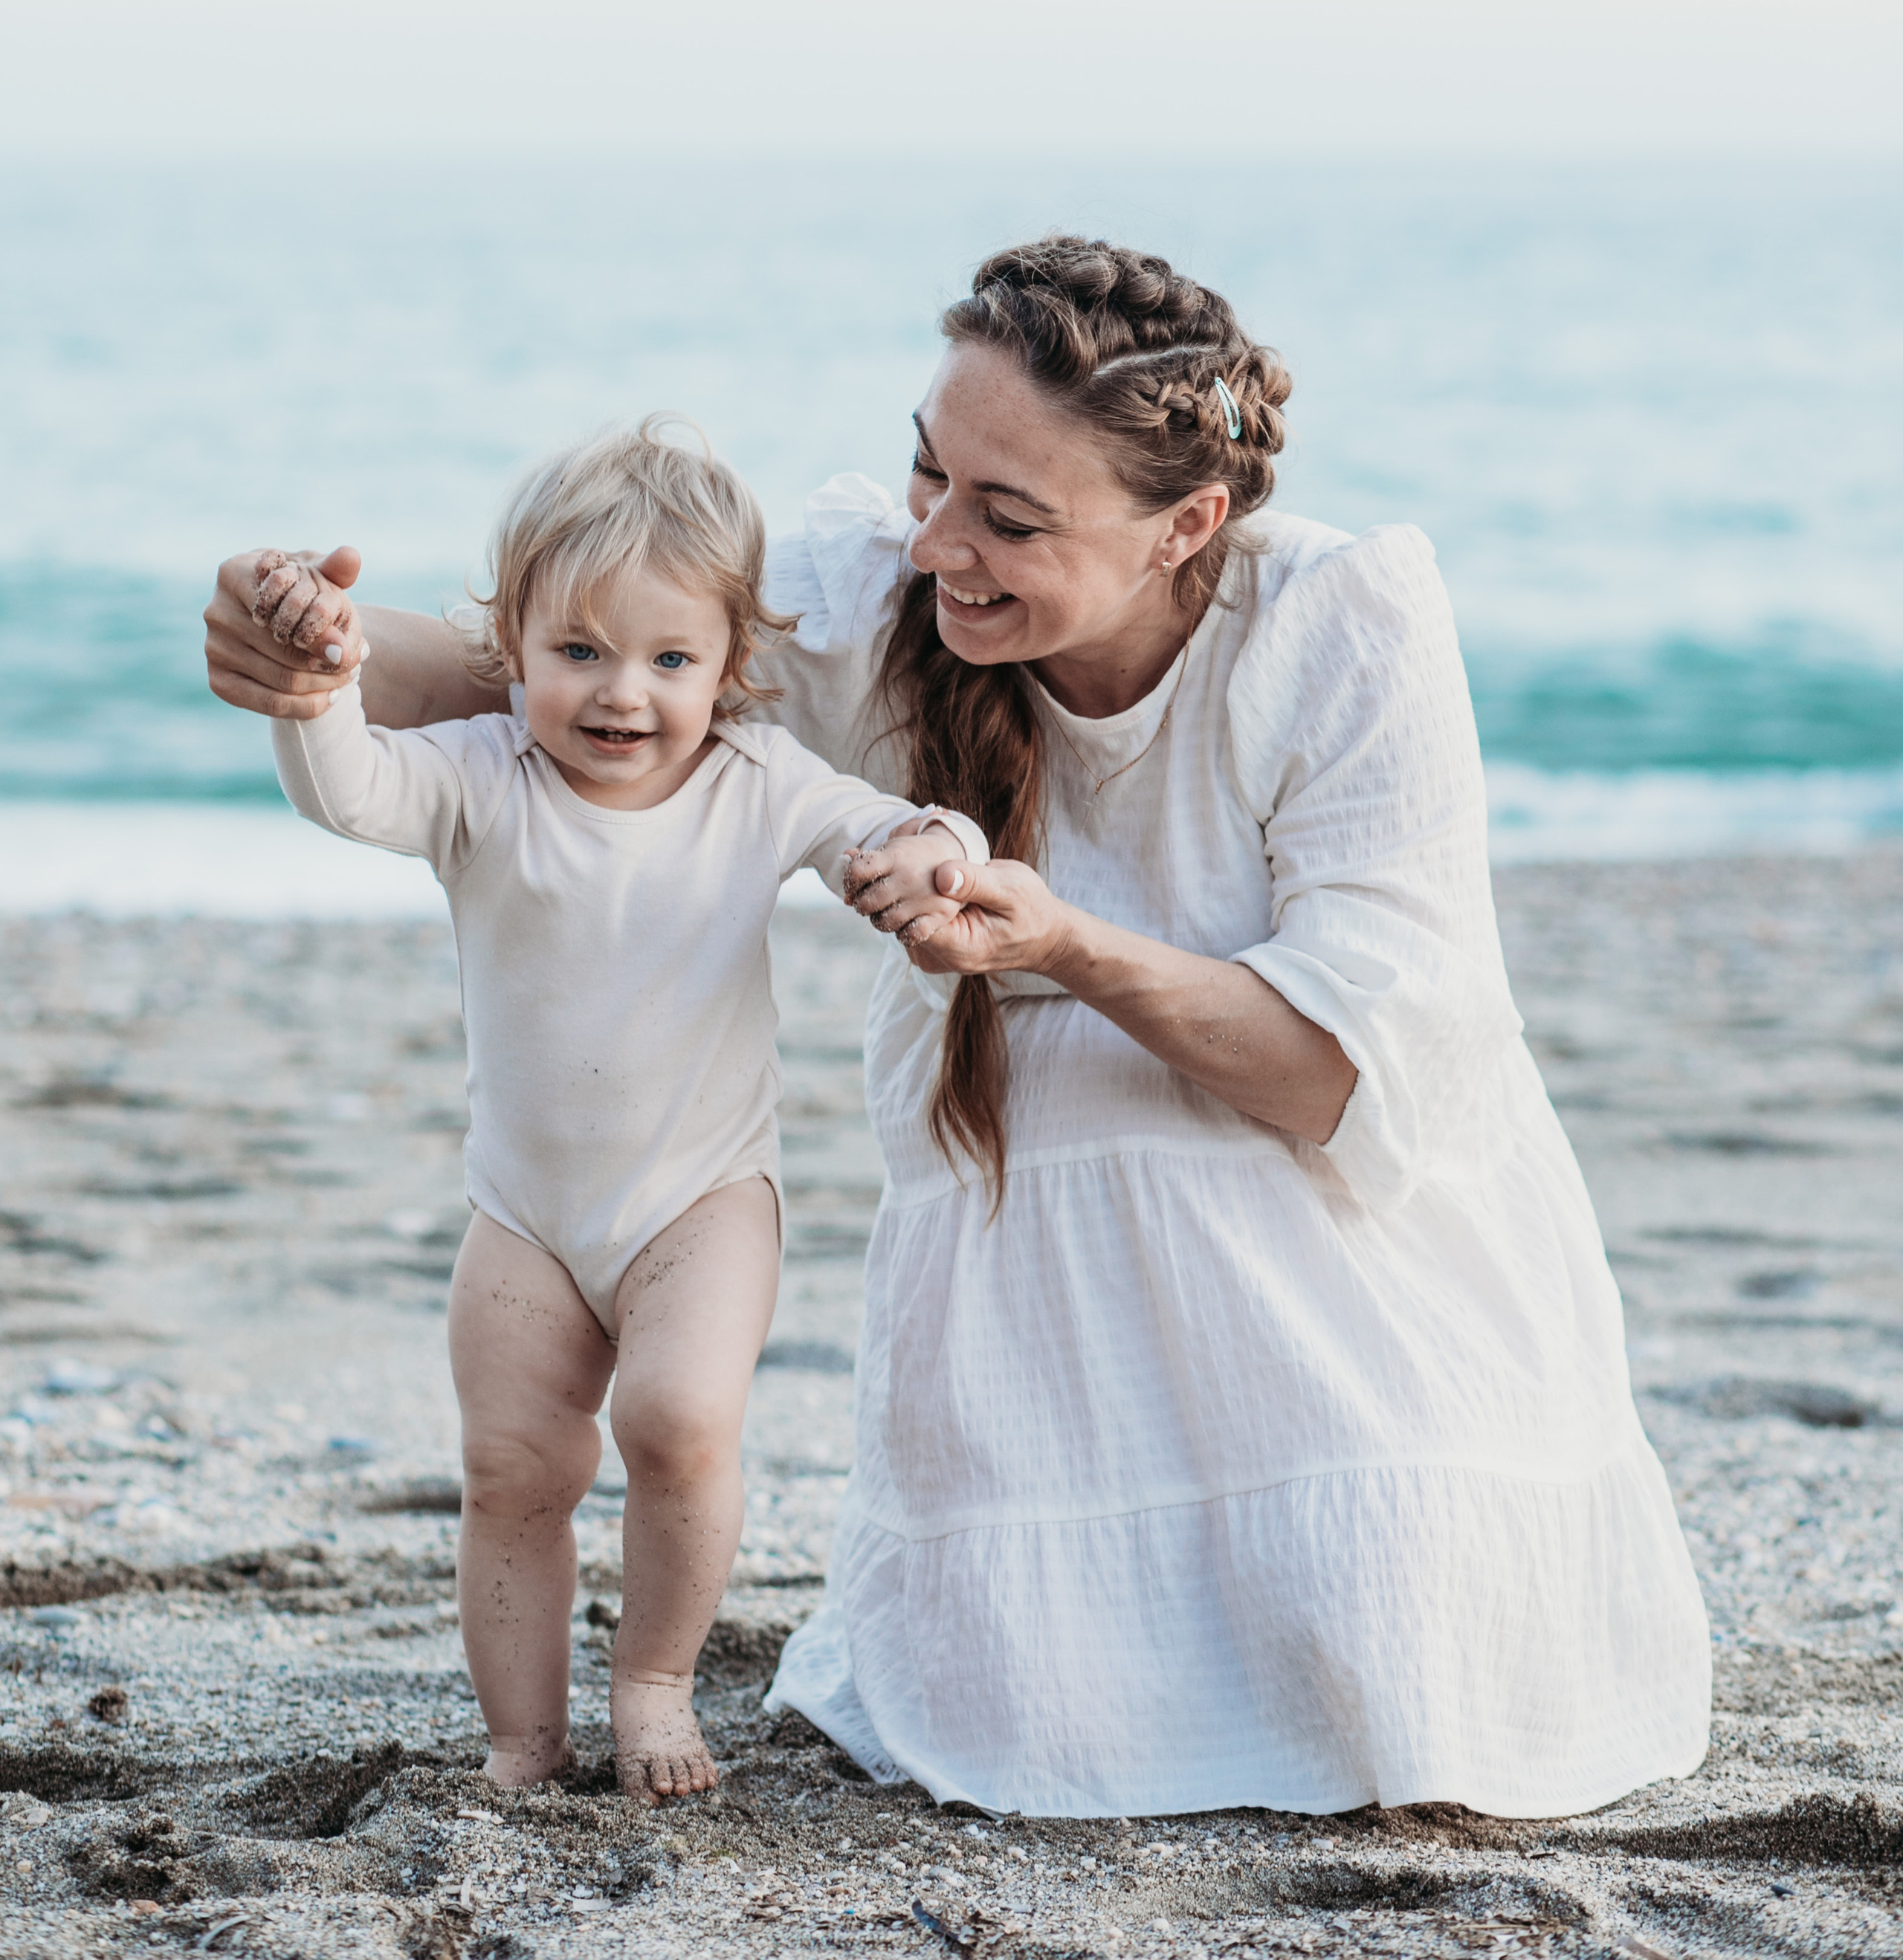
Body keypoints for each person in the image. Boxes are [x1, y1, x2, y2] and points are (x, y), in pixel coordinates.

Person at [205, 236, 1710, 1820]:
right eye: (932, 477)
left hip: (1338, 1238)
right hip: (1028, 1236)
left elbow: (1335, 1069)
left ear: (1185, 523)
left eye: (1007, 517)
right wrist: (311, 656)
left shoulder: (1336, 625)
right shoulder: (893, 584)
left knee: (1400, 1680)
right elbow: (581, 652)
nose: (936, 544)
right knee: (1025, 1721)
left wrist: (1062, 940)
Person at [245, 420, 985, 1799]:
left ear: (731, 665)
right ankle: (522, 1741)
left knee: (678, 1422)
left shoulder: (756, 785)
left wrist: (934, 853)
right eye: (577, 652)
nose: (621, 693)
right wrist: (315, 691)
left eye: (669, 659)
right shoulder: (481, 778)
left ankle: (652, 1686)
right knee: (511, 1468)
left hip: (702, 1201)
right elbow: (350, 794)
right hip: (523, 1214)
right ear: (510, 648)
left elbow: (883, 827)